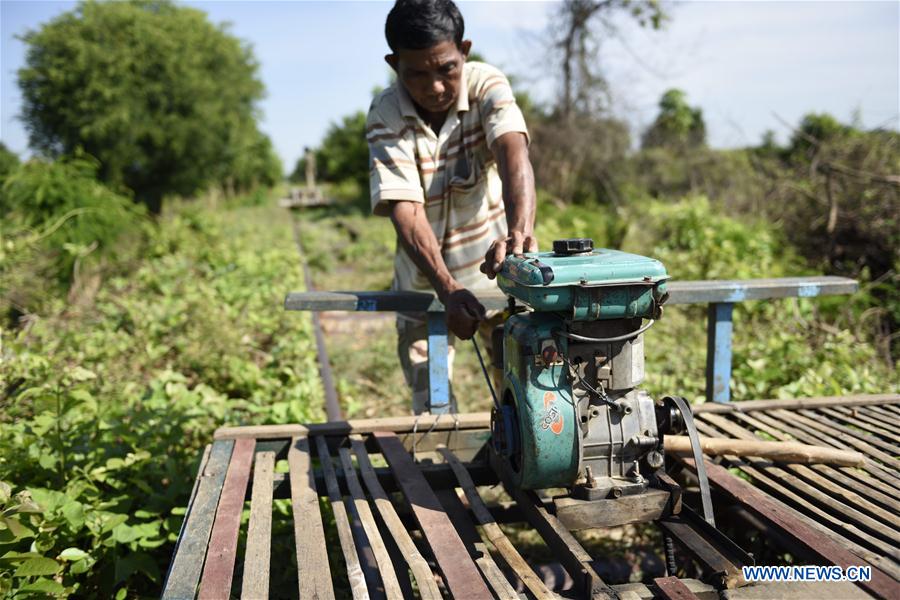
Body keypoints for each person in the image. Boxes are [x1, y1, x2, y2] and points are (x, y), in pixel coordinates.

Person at [367, 0, 537, 414]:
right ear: (394, 65)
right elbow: (406, 209)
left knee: (524, 400)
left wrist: (519, 233)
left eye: (446, 69)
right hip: (425, 287)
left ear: (464, 50)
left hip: (496, 276)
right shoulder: (387, 113)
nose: (435, 87)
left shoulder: (486, 85)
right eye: (416, 74)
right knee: (434, 411)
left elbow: (513, 152)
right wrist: (447, 289)